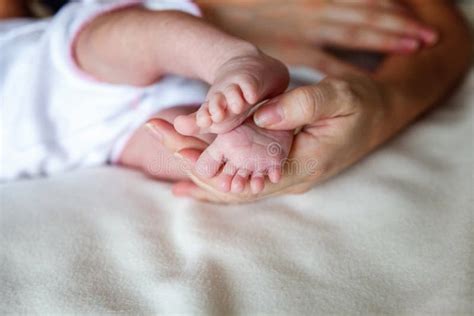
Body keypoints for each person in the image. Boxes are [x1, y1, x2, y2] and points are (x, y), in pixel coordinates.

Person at [143, 0, 472, 203]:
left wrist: (384, 106)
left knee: (180, 138)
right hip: (109, 113)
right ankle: (242, 125)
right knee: (177, 143)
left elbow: (442, 30)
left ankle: (240, 86)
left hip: (120, 59)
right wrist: (212, 15)